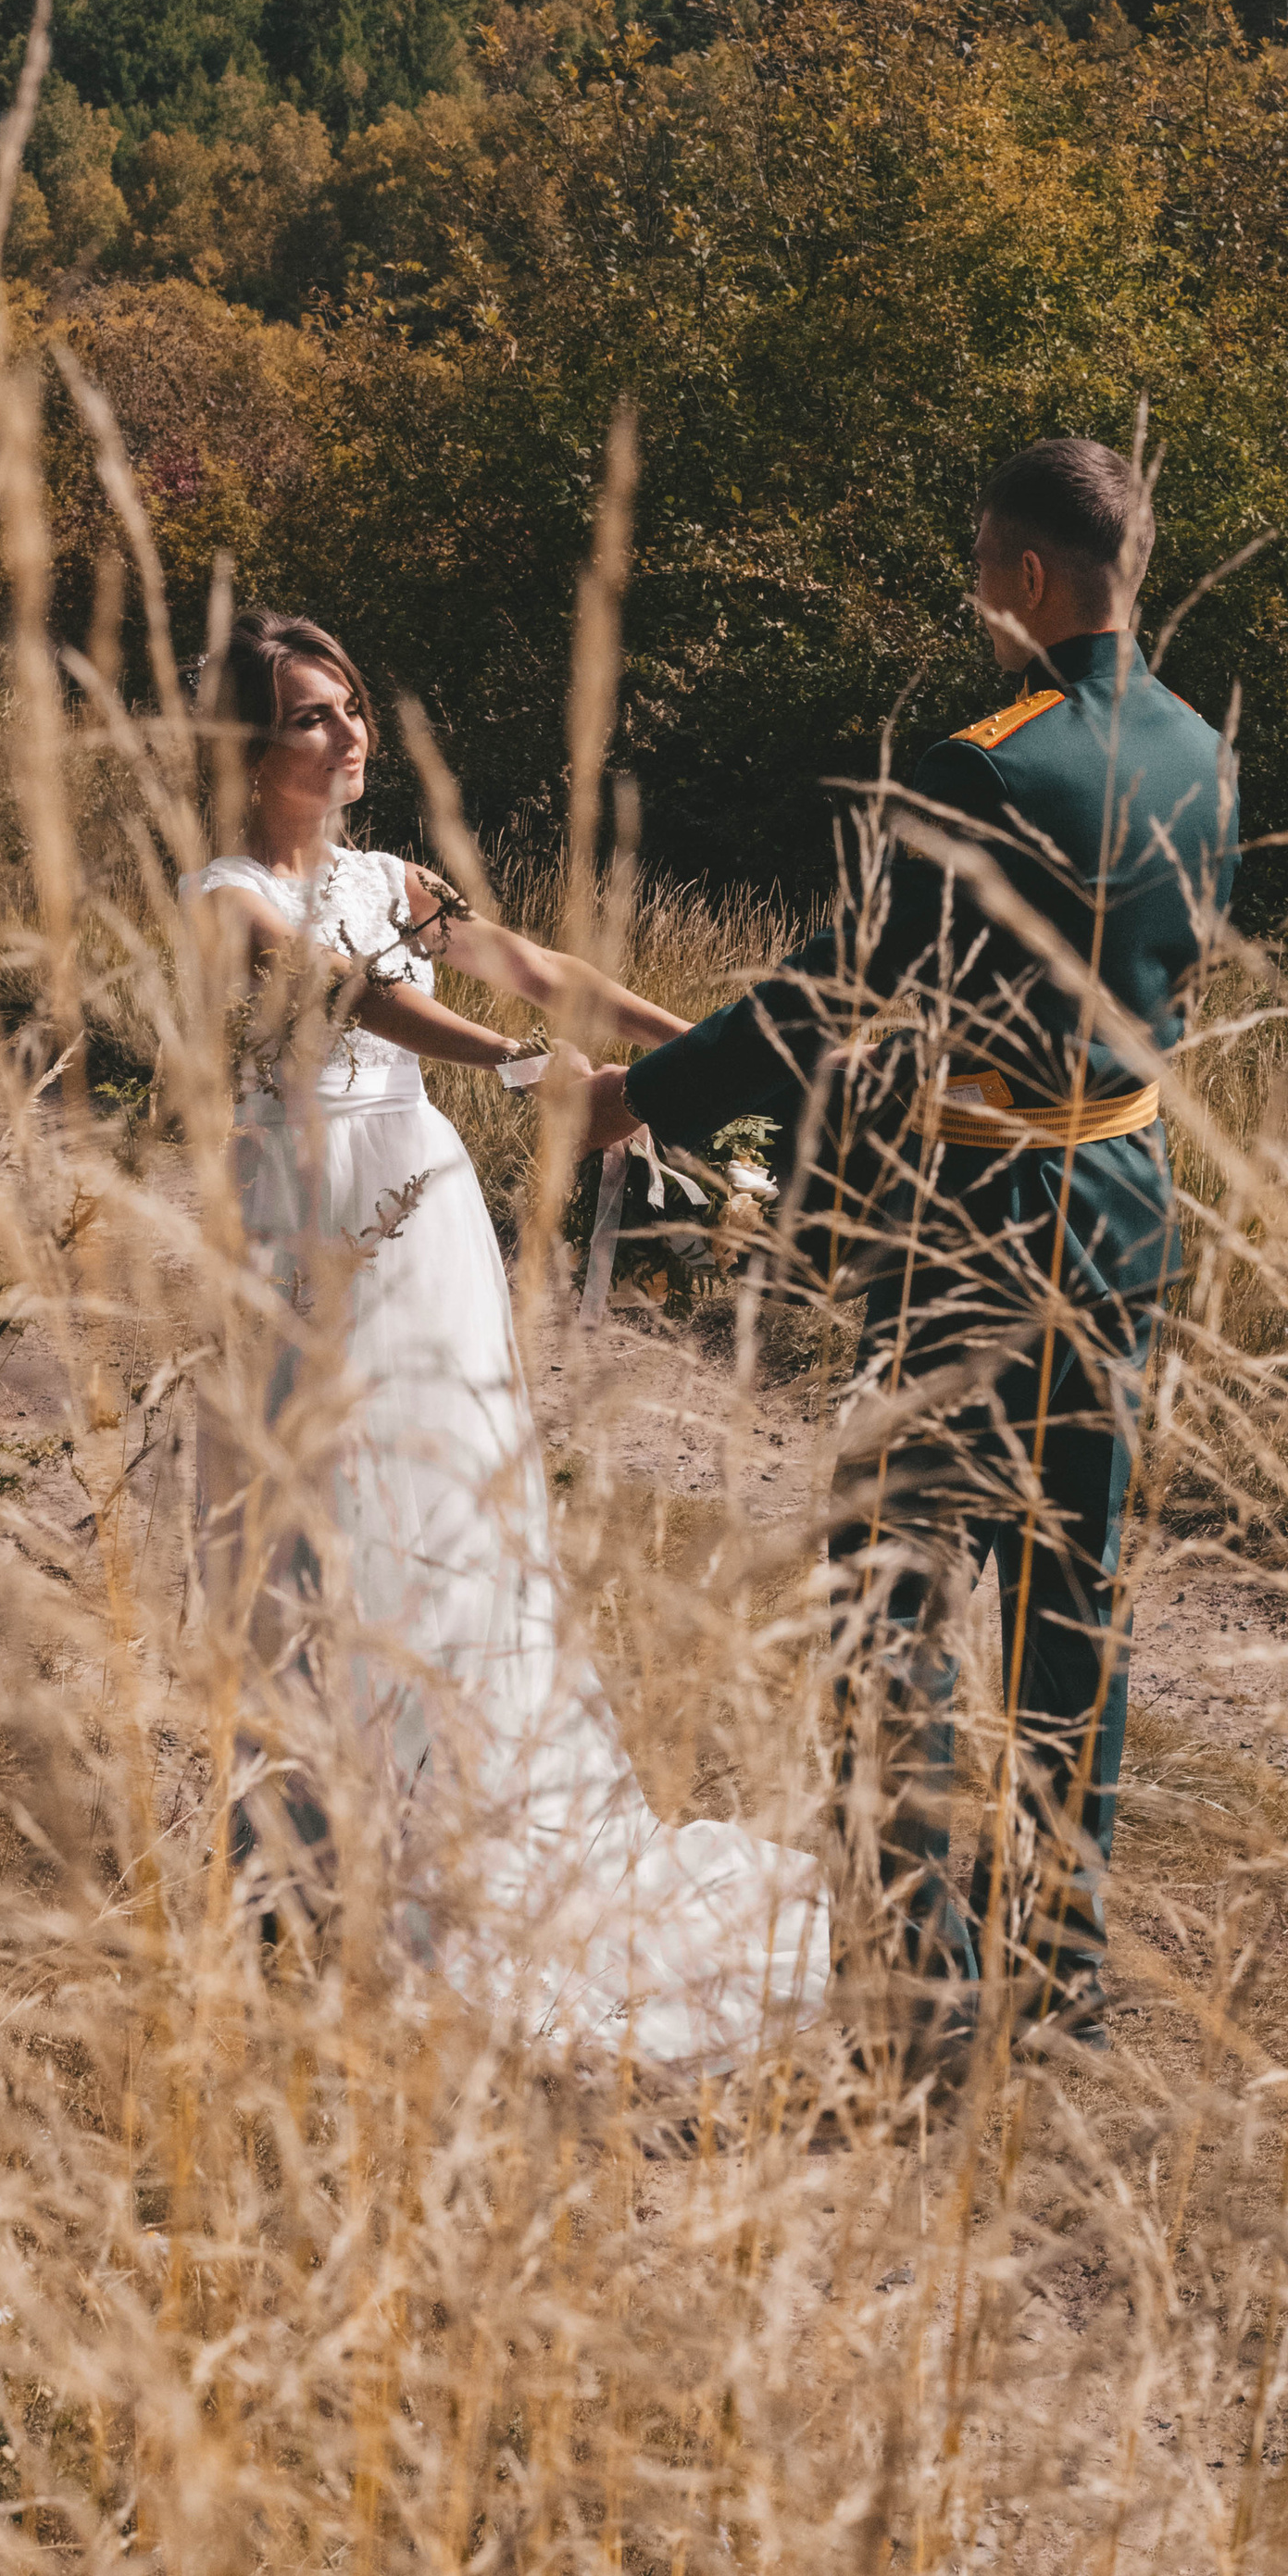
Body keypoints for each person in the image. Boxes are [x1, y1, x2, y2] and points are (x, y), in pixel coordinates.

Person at [588, 443, 1239, 2062]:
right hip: (1130, 1197)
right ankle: (1062, 1974)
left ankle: (927, 1971)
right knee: (1069, 1591)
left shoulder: (985, 765)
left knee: (891, 1590)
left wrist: (640, 1099)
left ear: (1023, 577)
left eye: (978, 568)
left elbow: (830, 996)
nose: (977, 600)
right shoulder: (1205, 750)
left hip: (981, 1216)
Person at [181, 606, 827, 2071]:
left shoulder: (392, 874)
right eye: (308, 716)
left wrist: (705, 1056)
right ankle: (301, 1855)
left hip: (424, 1225)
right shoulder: (223, 890)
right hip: (295, 1218)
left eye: (349, 708)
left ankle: (445, 1834)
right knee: (307, 1521)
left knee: (444, 1514)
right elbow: (356, 996)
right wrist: (528, 1070)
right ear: (246, 746)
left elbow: (537, 969)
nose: (346, 736)